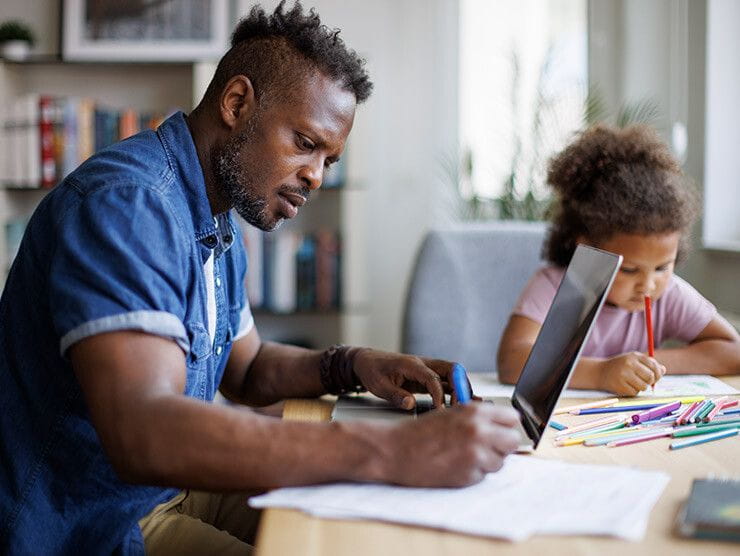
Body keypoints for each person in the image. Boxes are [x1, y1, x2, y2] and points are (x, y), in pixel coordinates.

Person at [0, 2, 522, 554]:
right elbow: (143, 431)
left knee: (372, 529)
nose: (316, 176)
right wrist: (392, 450)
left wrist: (353, 364)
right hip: (89, 523)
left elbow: (244, 369)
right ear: (237, 102)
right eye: (305, 143)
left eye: (329, 160)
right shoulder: (129, 206)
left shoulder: (213, 210)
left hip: (163, 490)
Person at [497, 124, 740, 396]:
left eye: (662, 267)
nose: (648, 285)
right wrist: (601, 372)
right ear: (586, 247)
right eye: (629, 270)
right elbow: (511, 361)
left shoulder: (669, 293)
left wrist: (649, 363)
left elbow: (734, 351)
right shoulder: (556, 286)